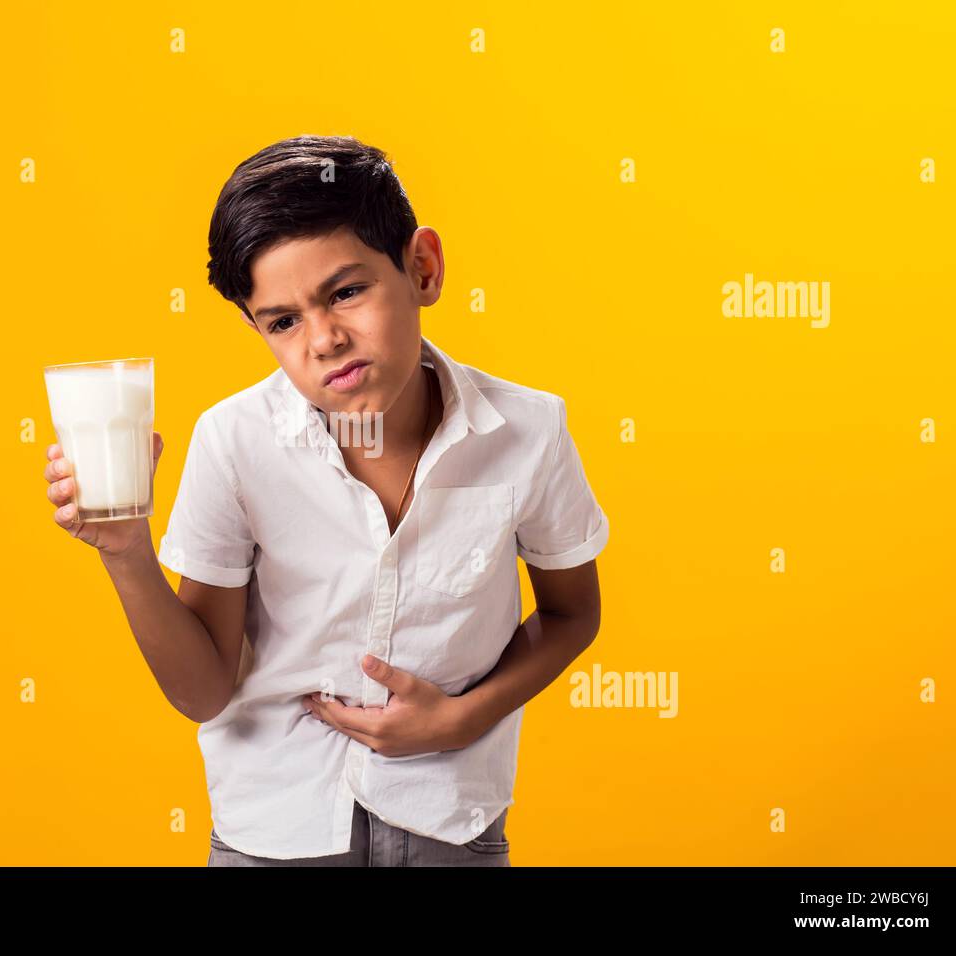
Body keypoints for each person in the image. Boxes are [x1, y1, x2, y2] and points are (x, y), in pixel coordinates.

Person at [42, 135, 610, 866]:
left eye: (346, 292)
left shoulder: (528, 430)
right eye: (284, 321)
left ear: (422, 268)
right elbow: (202, 690)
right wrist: (125, 554)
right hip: (275, 833)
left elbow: (573, 611)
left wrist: (461, 719)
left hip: (451, 827)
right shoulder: (234, 442)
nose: (325, 339)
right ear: (257, 330)